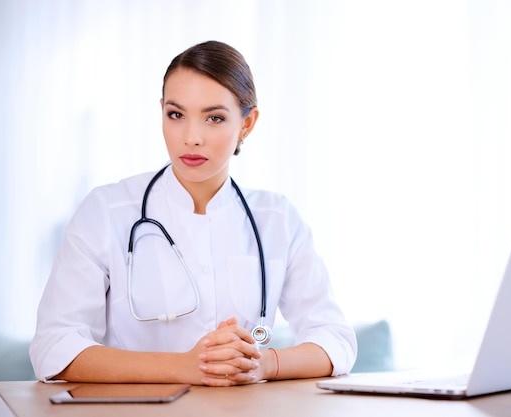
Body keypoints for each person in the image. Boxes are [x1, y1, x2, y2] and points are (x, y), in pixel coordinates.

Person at [29, 40, 357, 386]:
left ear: (247, 124)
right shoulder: (105, 211)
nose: (191, 137)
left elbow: (336, 341)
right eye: (176, 114)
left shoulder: (277, 219)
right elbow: (54, 347)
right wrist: (186, 367)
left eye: (214, 118)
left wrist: (262, 364)